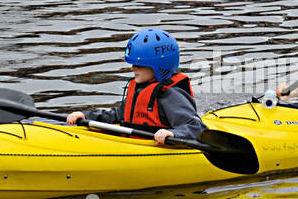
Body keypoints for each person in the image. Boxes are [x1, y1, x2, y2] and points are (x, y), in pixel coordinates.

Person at [66, 28, 204, 145]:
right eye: (132, 64)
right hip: (134, 143)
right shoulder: (139, 88)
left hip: (157, 148)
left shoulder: (171, 94)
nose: (133, 68)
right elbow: (118, 115)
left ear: (159, 66)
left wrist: (173, 133)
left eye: (139, 65)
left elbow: (195, 127)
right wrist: (86, 115)